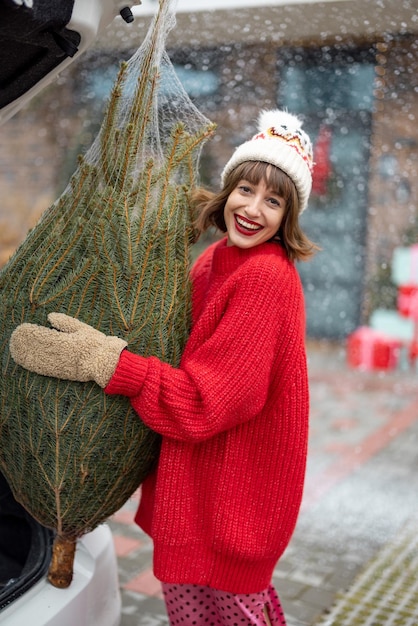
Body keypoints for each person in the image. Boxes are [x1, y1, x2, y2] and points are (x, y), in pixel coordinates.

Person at [10, 109, 318, 626]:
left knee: (236, 616)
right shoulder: (214, 260)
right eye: (246, 190)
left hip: (231, 509)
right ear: (227, 192)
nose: (253, 209)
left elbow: (209, 400)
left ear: (288, 217)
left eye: (274, 200)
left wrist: (108, 363)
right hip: (197, 499)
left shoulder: (266, 279)